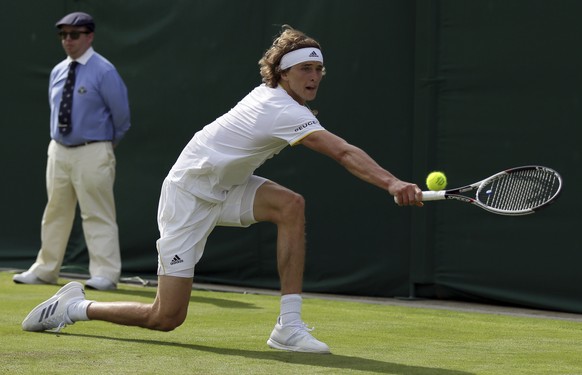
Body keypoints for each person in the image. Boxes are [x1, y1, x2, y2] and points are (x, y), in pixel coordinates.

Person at [20, 25, 421, 353]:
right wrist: (392, 182)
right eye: (305, 69)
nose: (314, 77)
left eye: (319, 69)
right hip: (188, 196)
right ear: (283, 73)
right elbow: (343, 152)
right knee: (166, 317)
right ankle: (75, 307)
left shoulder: (281, 100)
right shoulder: (278, 108)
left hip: (225, 187)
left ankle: (289, 326)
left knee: (290, 205)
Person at [13, 12, 131, 291]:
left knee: (97, 213)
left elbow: (122, 118)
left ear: (89, 36)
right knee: (55, 210)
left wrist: (102, 146)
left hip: (93, 149)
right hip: (59, 150)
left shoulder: (104, 71)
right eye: (63, 35)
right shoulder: (58, 70)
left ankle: (105, 273)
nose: (68, 40)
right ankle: (45, 269)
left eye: (74, 35)